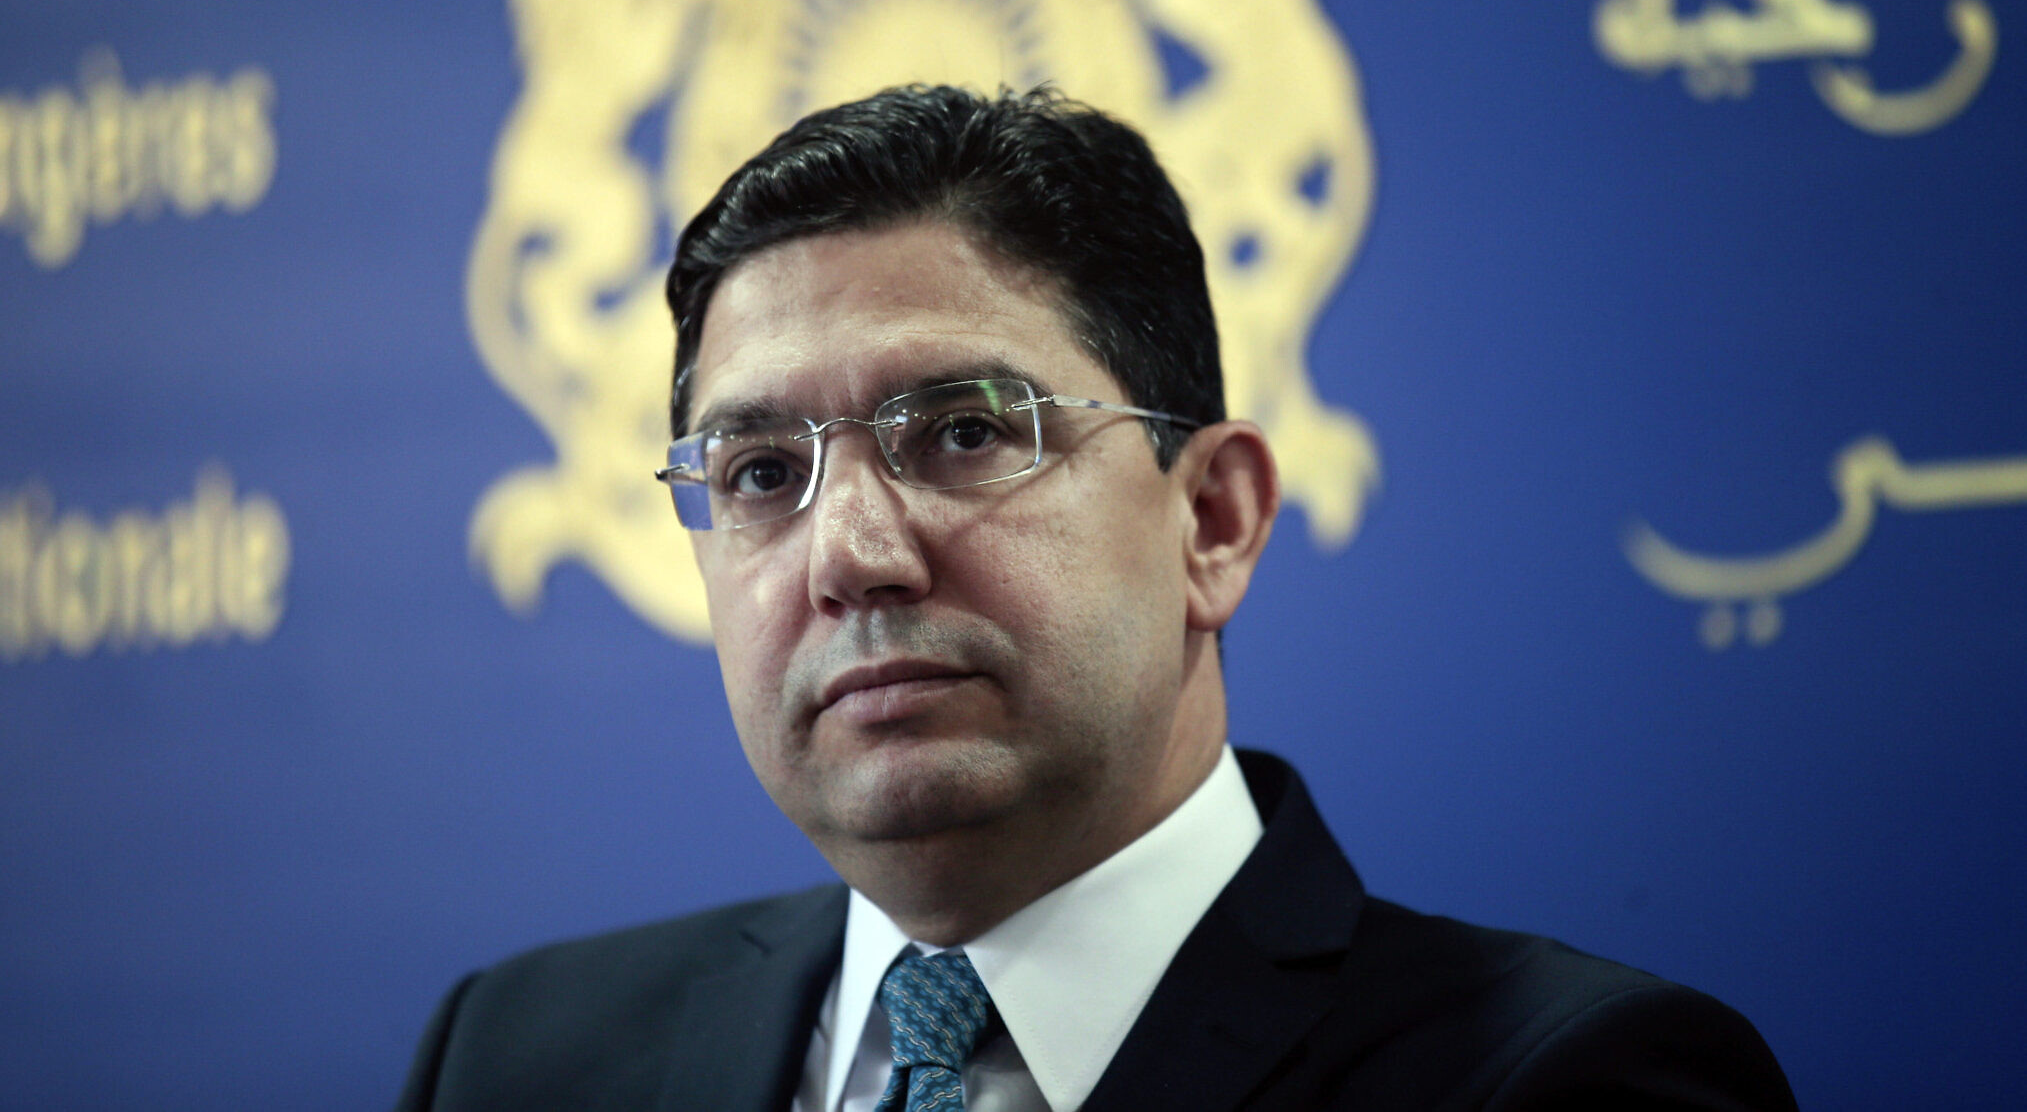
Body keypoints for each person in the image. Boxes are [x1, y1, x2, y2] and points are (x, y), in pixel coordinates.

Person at [396, 85, 1796, 1111]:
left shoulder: (1568, 1085)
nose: (850, 555)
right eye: (763, 472)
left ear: (1213, 519)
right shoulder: (516, 1061)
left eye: (964, 432)